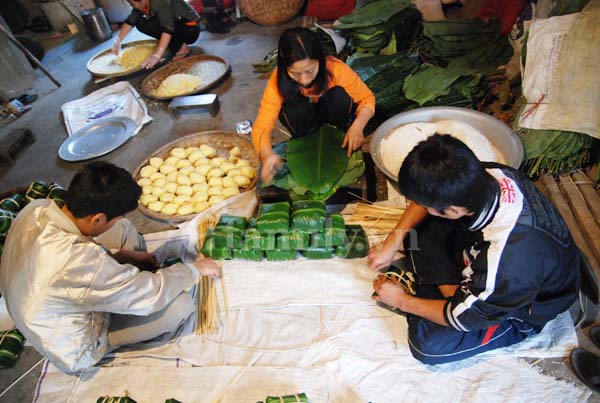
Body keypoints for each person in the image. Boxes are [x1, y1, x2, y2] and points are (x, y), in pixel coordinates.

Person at [368, 134, 580, 364]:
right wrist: (393, 240)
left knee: (430, 345)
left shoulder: (510, 258)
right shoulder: (486, 174)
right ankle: (451, 292)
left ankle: (455, 297)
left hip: (525, 304)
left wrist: (401, 301)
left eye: (427, 204)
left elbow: (467, 319)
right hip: (494, 261)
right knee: (419, 230)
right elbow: (423, 204)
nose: (420, 206)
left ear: (452, 210)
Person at [0, 162, 219, 373]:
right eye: (111, 219)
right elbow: (148, 295)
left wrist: (120, 255)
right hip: (75, 346)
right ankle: (105, 344)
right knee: (180, 306)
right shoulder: (78, 261)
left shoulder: (36, 209)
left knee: (123, 229)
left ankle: (119, 271)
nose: (116, 221)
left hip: (43, 294)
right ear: (97, 219)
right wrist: (194, 270)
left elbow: (75, 261)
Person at [252, 27, 375, 183]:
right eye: (295, 73)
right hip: (304, 120)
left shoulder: (336, 69)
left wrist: (358, 126)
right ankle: (305, 138)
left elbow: (367, 99)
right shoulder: (278, 79)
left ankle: (339, 133)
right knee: (293, 108)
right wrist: (266, 154)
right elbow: (262, 125)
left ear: (320, 59)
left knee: (338, 96)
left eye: (310, 70)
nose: (304, 79)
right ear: (284, 67)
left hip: (332, 114)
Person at [112, 0, 201, 69]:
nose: (133, 6)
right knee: (140, 22)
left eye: (132, 4)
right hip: (178, 26)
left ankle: (182, 48)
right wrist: (118, 42)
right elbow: (130, 21)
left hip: (190, 29)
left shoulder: (158, 2)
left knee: (159, 24)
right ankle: (173, 43)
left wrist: (157, 55)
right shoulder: (142, 5)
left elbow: (167, 27)